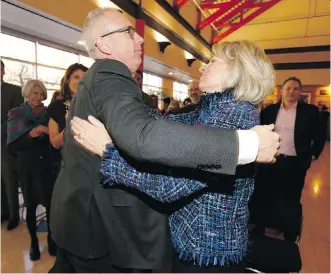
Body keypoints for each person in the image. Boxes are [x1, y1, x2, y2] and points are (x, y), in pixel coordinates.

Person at [50, 8, 279, 273]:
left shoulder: (234, 115)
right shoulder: (212, 109)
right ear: (104, 44)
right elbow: (162, 123)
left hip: (206, 254)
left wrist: (107, 151)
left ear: (239, 71)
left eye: (213, 61)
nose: (203, 66)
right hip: (187, 243)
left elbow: (167, 186)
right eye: (129, 32)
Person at [251, 76, 326, 241]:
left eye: (295, 88)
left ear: (300, 92)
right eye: (288, 88)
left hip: (295, 162)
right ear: (282, 91)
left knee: (291, 197)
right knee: (265, 194)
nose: (291, 92)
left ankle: (289, 230)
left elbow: (320, 135)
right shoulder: (269, 111)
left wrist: (313, 154)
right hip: (271, 160)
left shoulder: (310, 112)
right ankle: (261, 226)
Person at [7, 80, 56, 260]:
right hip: (27, 167)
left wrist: (47, 132)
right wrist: (30, 135)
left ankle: (52, 240)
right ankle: (34, 243)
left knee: (51, 206)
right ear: (27, 94)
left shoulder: (48, 114)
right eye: (33, 93)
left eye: (40, 93)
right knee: (31, 205)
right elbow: (12, 145)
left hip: (46, 167)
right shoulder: (16, 114)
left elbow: (56, 141)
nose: (37, 96)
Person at [47, 64, 88, 175]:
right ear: (67, 80)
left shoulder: (93, 105)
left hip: (90, 165)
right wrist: (70, 124)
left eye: (84, 78)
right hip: (66, 167)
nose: (80, 81)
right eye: (76, 77)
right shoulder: (57, 107)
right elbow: (55, 143)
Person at [1, 60, 24, 229]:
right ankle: (4, 212)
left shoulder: (14, 90)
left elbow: (15, 117)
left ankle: (14, 216)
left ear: (2, 70)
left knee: (9, 180)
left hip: (6, 143)